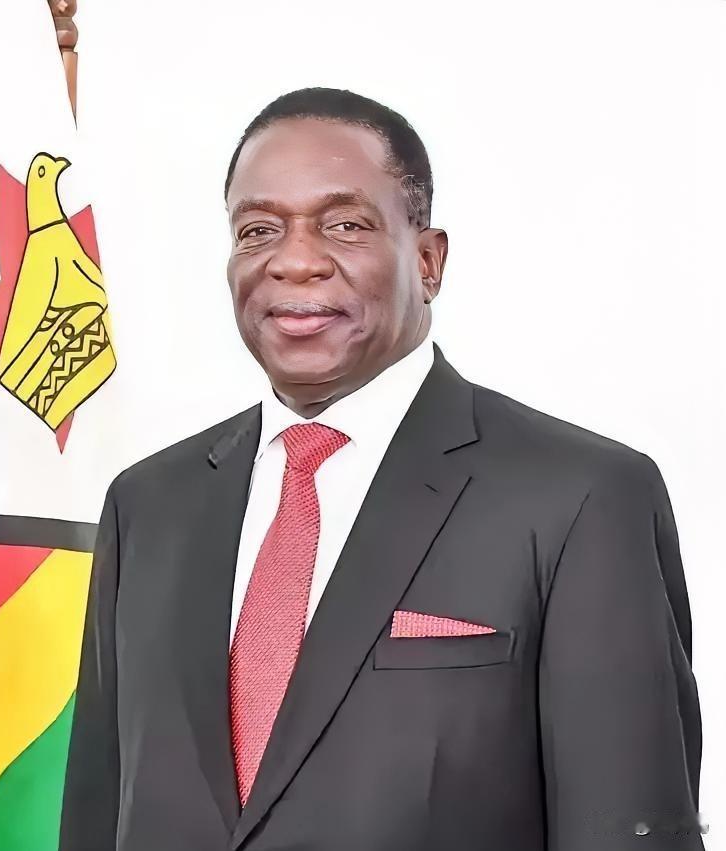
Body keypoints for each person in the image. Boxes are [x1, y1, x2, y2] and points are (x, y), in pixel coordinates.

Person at [59, 87, 706, 851]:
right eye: (259, 229)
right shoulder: (147, 506)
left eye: (346, 224)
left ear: (428, 261)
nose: (295, 260)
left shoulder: (580, 498)